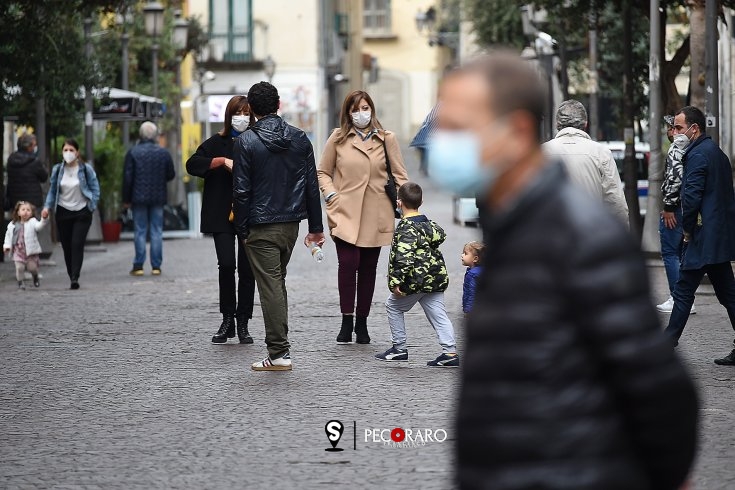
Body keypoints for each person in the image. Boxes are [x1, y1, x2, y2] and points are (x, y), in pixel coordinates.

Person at [430, 53, 698, 489]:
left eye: (459, 128)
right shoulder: (512, 230)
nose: (442, 141)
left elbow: (658, 390)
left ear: (516, 130)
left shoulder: (583, 242)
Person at [233, 81, 324, 372]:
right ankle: (279, 347)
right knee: (277, 282)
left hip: (260, 225)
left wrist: (242, 229)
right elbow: (312, 185)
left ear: (251, 110)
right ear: (279, 104)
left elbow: (242, 191)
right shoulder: (300, 138)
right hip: (290, 225)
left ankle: (278, 352)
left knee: (270, 286)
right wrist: (316, 227)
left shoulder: (245, 142)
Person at [317, 90, 409, 345]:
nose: (361, 113)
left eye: (365, 108)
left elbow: (400, 175)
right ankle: (346, 320)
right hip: (344, 210)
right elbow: (323, 172)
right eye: (356, 109)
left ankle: (362, 323)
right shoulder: (337, 138)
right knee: (348, 263)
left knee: (368, 268)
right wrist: (332, 195)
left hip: (376, 210)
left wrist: (409, 203)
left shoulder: (386, 139)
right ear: (348, 112)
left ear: (372, 109)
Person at [664, 106, 735, 366]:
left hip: (702, 236)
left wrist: (687, 229)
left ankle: (665, 345)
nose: (675, 133)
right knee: (728, 293)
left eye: (680, 128)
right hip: (717, 235)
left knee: (683, 292)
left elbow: (691, 196)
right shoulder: (717, 153)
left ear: (694, 129)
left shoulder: (697, 156)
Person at [186, 95, 255, 344]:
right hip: (221, 214)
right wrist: (220, 162)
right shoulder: (217, 142)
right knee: (226, 265)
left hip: (250, 215)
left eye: (247, 113)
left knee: (248, 269)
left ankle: (244, 321)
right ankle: (227, 319)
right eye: (238, 113)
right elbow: (192, 164)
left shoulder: (257, 140)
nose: (243, 118)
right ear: (229, 116)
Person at [375, 182, 459, 367]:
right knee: (439, 314)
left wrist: (396, 281)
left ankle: (399, 349)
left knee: (393, 306)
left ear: (399, 203)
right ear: (421, 202)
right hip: (435, 279)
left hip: (415, 281)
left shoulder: (405, 228)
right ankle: (450, 352)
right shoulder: (429, 225)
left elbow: (404, 257)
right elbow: (440, 235)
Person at [542, 99, 629, 226]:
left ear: (557, 124)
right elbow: (616, 203)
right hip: (591, 233)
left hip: (551, 235)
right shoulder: (601, 153)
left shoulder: (541, 152)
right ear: (585, 124)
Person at [42, 139, 100, 290]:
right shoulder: (57, 170)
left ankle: (75, 276)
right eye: (65, 150)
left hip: (82, 212)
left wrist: (91, 206)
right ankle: (71, 274)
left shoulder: (86, 169)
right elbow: (53, 190)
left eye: (71, 150)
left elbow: (95, 189)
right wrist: (47, 207)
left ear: (77, 152)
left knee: (77, 243)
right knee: (67, 246)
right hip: (63, 211)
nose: (68, 153)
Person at [123, 121, 175, 276]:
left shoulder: (133, 152)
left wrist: (126, 199)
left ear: (141, 135)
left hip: (138, 197)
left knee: (140, 230)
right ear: (155, 136)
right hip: (158, 197)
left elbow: (127, 178)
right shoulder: (163, 153)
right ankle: (156, 266)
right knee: (156, 230)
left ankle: (138, 265)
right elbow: (171, 174)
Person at [657, 115, 696, 314]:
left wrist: (668, 206)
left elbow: (674, 178)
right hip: (689, 207)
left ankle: (677, 298)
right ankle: (686, 299)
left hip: (676, 208)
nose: (670, 131)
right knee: (682, 254)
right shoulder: (693, 147)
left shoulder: (676, 149)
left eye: (673, 127)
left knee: (670, 253)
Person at [4, 201, 48, 289]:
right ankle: (20, 282)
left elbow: (39, 226)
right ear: (18, 212)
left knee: (32, 268)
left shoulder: (32, 222)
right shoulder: (12, 225)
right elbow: (8, 236)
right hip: (18, 251)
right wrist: (7, 246)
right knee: (19, 268)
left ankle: (35, 277)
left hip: (30, 252)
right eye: (23, 210)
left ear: (31, 213)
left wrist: (44, 219)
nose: (25, 212)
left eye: (28, 210)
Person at [5, 133, 48, 211]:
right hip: (32, 204)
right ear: (29, 146)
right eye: (34, 145)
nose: (35, 147)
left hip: (16, 203)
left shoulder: (11, 160)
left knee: (18, 222)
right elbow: (44, 177)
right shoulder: (35, 161)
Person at [461, 240, 484, 314]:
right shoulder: (476, 271)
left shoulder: (472, 274)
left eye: (465, 253)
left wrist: (469, 310)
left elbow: (472, 293)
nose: (462, 255)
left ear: (475, 259)